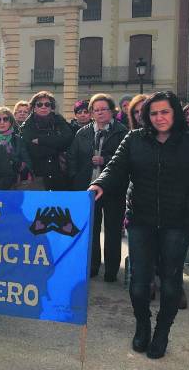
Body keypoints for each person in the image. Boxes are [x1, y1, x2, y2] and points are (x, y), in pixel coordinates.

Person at [89, 91, 189, 359]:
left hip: (177, 224)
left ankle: (162, 333)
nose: (159, 118)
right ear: (147, 116)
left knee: (171, 284)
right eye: (154, 113)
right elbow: (115, 167)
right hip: (140, 220)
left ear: (175, 114)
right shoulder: (134, 139)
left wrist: (188, 208)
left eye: (165, 112)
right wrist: (99, 183)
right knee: (138, 284)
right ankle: (143, 325)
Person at [67, 94, 127, 281]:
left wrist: (105, 160)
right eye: (96, 110)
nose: (100, 113)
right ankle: (92, 266)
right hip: (87, 189)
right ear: (92, 113)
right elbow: (72, 158)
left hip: (113, 189)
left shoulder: (122, 132)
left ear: (112, 111)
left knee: (112, 230)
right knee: (91, 230)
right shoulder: (82, 133)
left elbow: (126, 161)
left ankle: (111, 270)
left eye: (104, 109)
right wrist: (77, 180)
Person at [20, 91, 74, 190]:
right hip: (38, 176)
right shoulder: (27, 126)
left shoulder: (59, 121)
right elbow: (33, 151)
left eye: (47, 104)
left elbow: (67, 140)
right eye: (39, 104)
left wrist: (41, 140)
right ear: (34, 108)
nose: (43, 107)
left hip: (59, 174)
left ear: (51, 107)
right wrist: (57, 146)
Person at [0, 107, 33, 186]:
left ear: (10, 122)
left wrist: (20, 167)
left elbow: (28, 164)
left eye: (5, 119)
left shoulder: (18, 139)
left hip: (14, 183)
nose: (2, 122)